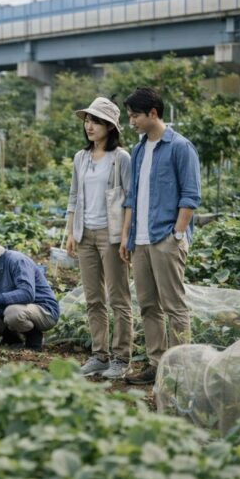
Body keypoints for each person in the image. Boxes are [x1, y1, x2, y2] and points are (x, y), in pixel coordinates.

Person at [120, 86, 201, 385]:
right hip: (140, 241)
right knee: (148, 306)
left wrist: (177, 235)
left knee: (174, 306)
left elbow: (190, 197)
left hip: (166, 239)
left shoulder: (180, 147)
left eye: (135, 116)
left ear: (153, 113)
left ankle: (182, 370)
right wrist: (127, 237)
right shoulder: (140, 149)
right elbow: (133, 196)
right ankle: (157, 365)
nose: (132, 122)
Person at [65, 97, 133, 380]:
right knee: (93, 298)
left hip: (111, 234)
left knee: (118, 297)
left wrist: (125, 237)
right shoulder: (80, 158)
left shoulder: (121, 158)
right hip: (85, 234)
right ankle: (99, 355)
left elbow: (129, 199)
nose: (89, 126)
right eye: (87, 121)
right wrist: (70, 232)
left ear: (110, 126)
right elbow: (73, 196)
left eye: (95, 121)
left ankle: (122, 357)